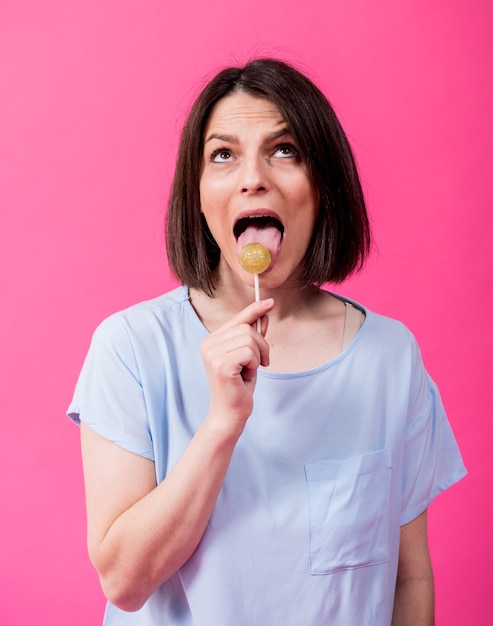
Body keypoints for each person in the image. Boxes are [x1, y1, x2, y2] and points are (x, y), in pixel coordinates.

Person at [67, 58, 466, 625]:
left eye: (285, 150)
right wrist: (221, 425)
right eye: (223, 154)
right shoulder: (130, 347)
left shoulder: (390, 358)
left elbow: (408, 577)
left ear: (324, 185)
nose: (254, 177)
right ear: (199, 196)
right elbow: (124, 581)